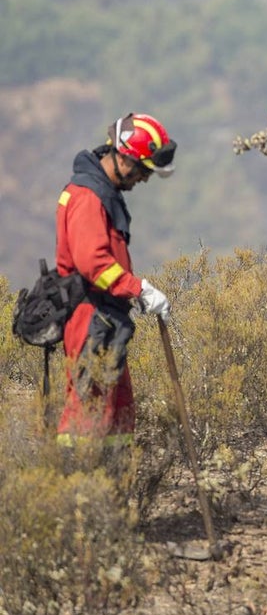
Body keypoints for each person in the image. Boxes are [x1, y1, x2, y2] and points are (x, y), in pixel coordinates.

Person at [55, 113, 176, 449]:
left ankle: (115, 486)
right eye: (142, 169)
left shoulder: (102, 192)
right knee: (88, 404)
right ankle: (79, 490)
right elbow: (93, 264)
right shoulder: (87, 196)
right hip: (89, 316)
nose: (144, 179)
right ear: (123, 158)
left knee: (116, 406)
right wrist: (138, 289)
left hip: (107, 317)